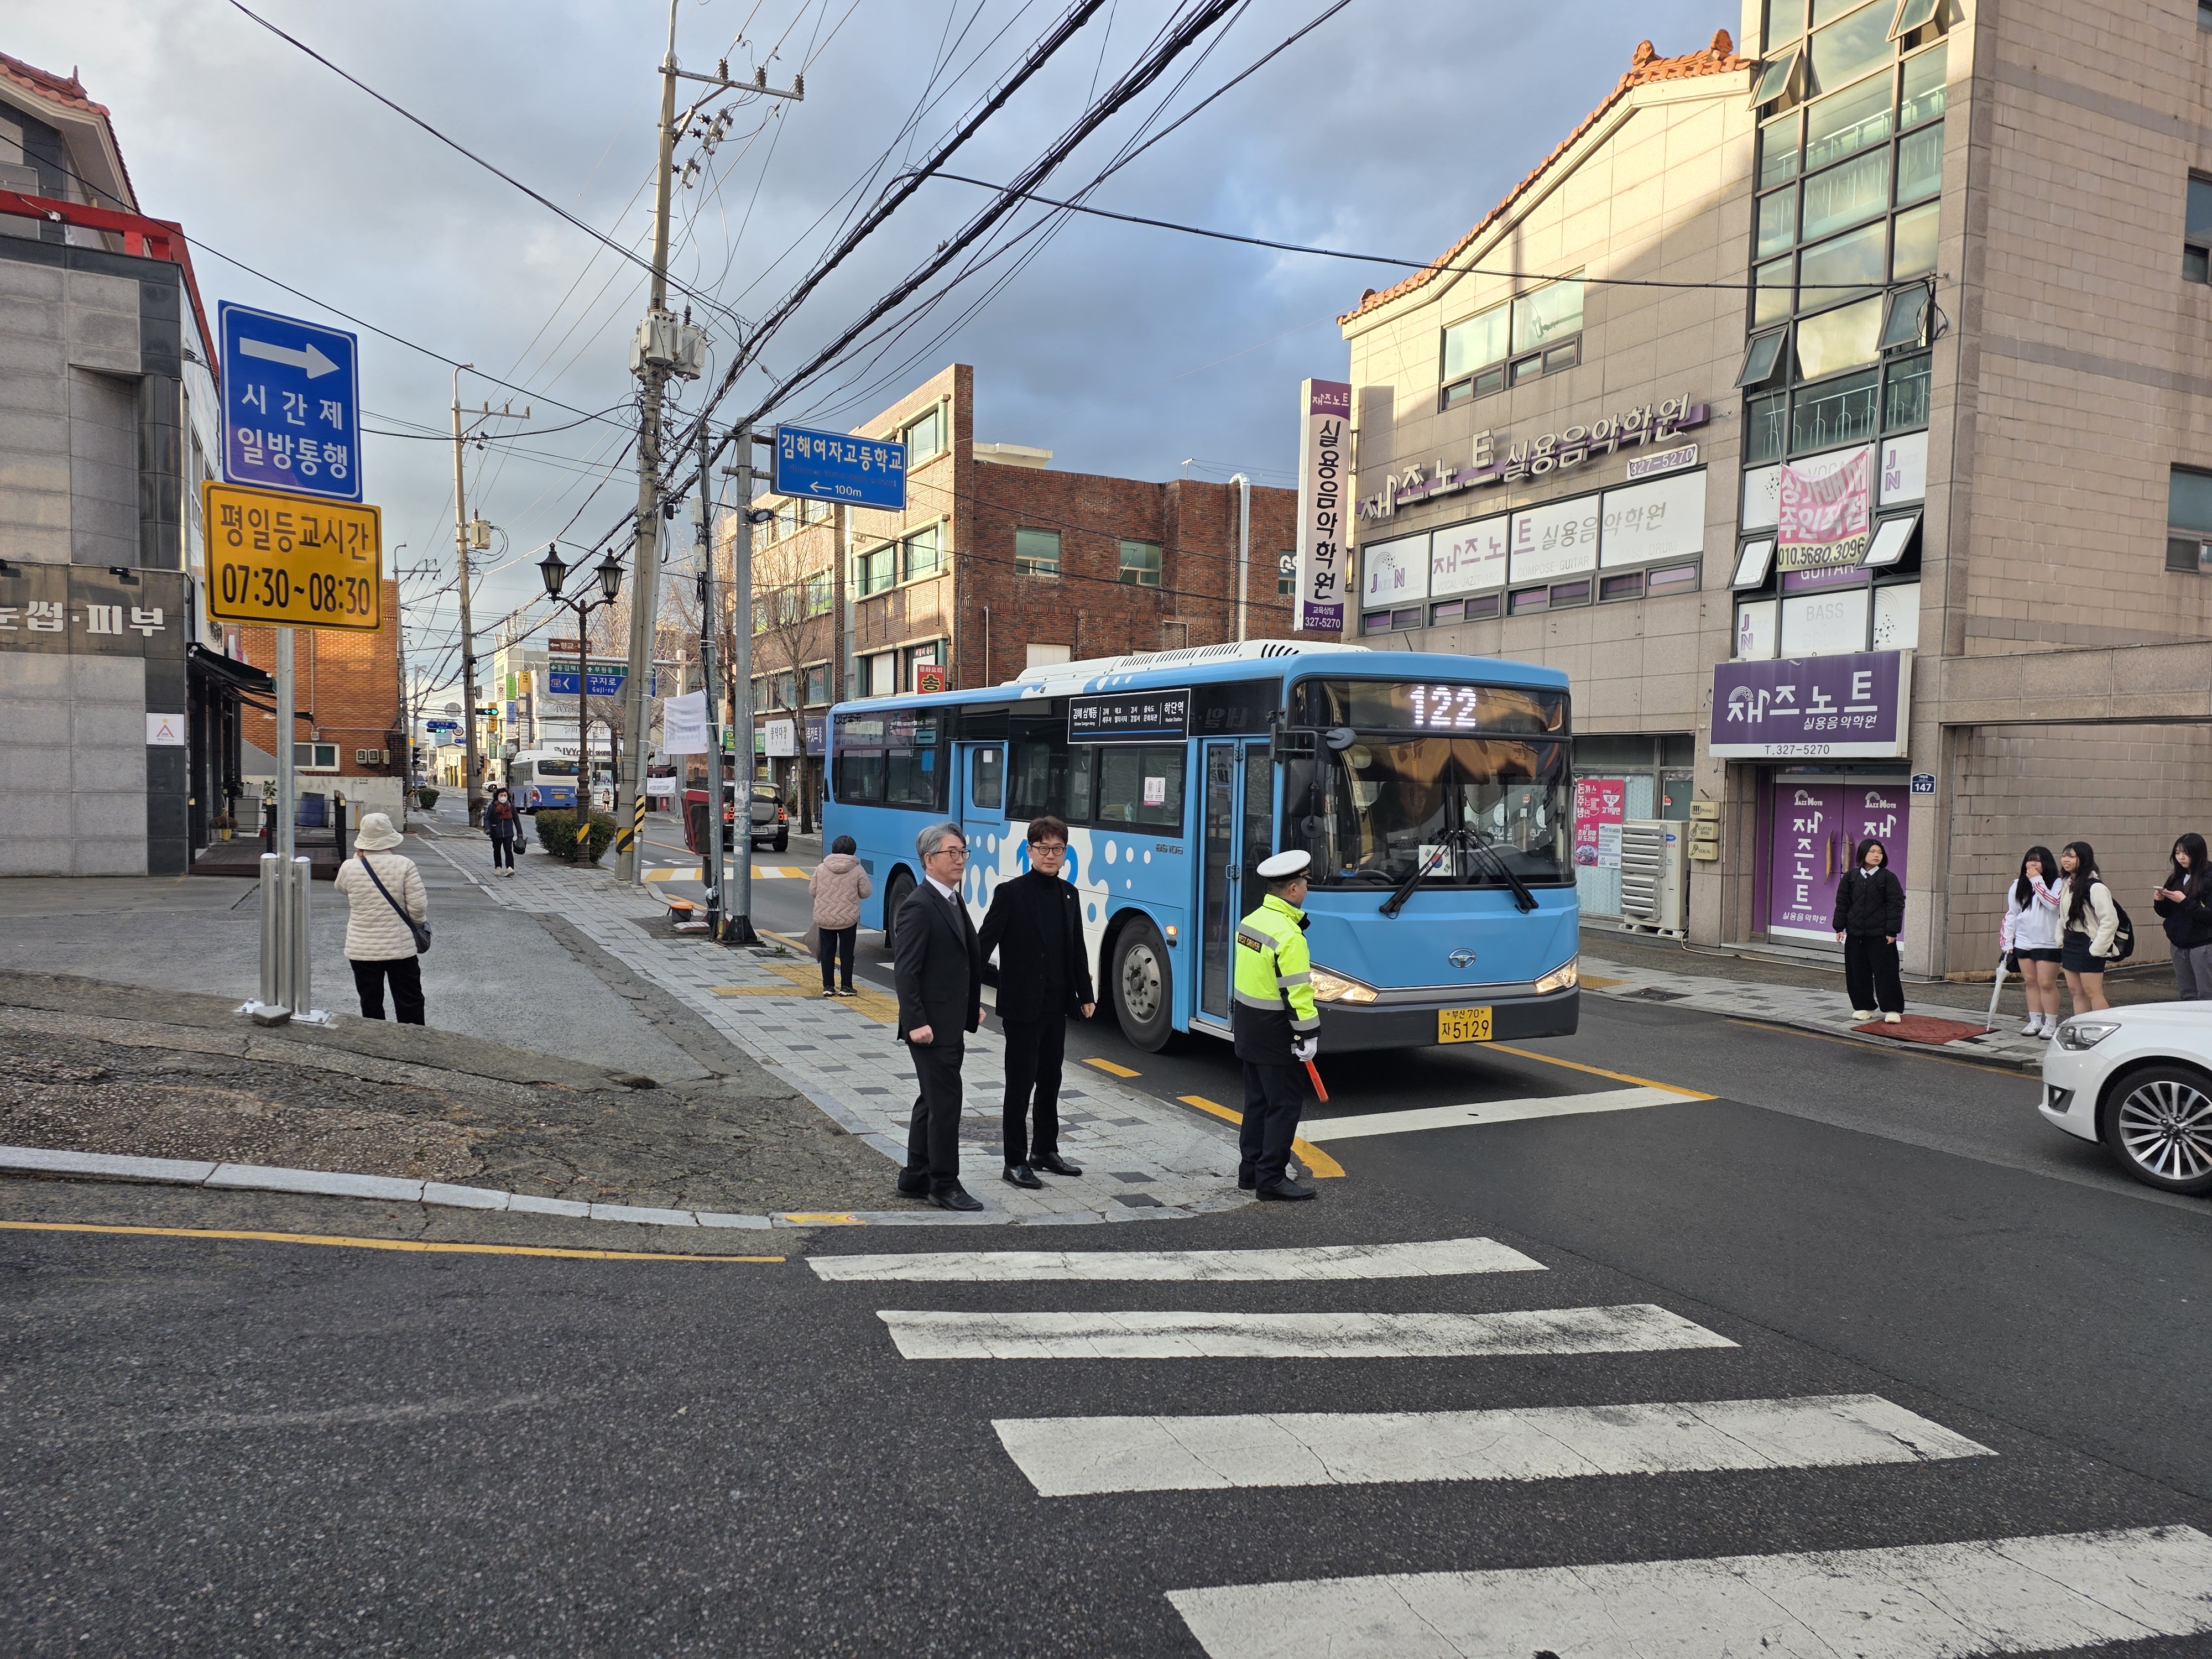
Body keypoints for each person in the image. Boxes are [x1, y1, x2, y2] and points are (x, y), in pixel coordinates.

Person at [978, 815, 1095, 1190]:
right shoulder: (1011, 894)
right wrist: (967, 995)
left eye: (1057, 849)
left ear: (1065, 853)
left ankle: (1045, 1150)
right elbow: (984, 945)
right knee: (1020, 1084)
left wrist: (1086, 994)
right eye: (1043, 848)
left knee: (1051, 1080)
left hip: (1056, 1005)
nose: (1050, 855)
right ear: (1029, 851)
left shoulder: (1068, 893)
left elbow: (1077, 947)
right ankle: (1014, 1161)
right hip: (1021, 1008)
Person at [893, 821, 984, 1212]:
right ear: (930, 859)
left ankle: (916, 1176)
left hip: (948, 1019)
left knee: (931, 1100)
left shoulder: (951, 899)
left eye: (963, 851)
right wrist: (916, 1022)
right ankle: (944, 1184)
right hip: (930, 1026)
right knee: (946, 1103)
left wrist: (970, 1006)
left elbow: (957, 961)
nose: (960, 858)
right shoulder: (919, 904)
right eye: (953, 852)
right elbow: (906, 970)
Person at [1232, 849, 1323, 1201]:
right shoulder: (1289, 935)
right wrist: (1308, 1034)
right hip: (1276, 1034)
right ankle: (1272, 1179)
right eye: (1304, 885)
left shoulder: (1251, 922)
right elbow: (1298, 992)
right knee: (1283, 1107)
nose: (1305, 890)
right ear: (1293, 890)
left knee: (1256, 1103)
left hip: (1248, 1027)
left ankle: (1251, 1173)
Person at [333, 812, 428, 1024]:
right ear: (390, 837)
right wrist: (418, 924)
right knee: (409, 999)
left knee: (371, 1000)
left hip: (362, 948)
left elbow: (341, 888)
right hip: (399, 947)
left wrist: (359, 857)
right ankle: (413, 1043)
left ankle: (377, 1047)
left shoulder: (350, 866)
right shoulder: (404, 865)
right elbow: (418, 908)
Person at [1831, 837, 1906, 1024]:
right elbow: (1842, 903)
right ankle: (1865, 1006)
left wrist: (1892, 931)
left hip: (1881, 936)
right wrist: (1839, 927)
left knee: (1886, 973)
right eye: (1872, 852)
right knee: (1857, 972)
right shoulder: (1850, 877)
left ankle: (1892, 1009)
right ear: (1863, 854)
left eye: (1879, 852)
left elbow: (1895, 906)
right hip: (1856, 934)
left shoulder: (1888, 878)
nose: (1876, 855)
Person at [2000, 846, 2065, 1036]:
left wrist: (2037, 881)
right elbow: (2012, 914)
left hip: (2048, 941)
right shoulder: (2017, 885)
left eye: (2038, 860)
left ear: (2047, 863)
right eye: (2030, 860)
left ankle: (2051, 1023)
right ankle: (2035, 1021)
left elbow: (2053, 904)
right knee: (2030, 982)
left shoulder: (2058, 884)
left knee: (2047, 983)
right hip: (2024, 941)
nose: (2033, 864)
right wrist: (2007, 941)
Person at [2058, 840, 2119, 1014]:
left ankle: (2103, 1033)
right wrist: (2060, 939)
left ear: (2083, 859)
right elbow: (2062, 917)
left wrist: (2096, 949)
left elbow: (2110, 921)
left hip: (2089, 943)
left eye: (2071, 856)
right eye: (2064, 855)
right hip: (2071, 941)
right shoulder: (2067, 883)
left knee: (2093, 992)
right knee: (2076, 992)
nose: (2066, 860)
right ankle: (2082, 1032)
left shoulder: (2096, 887)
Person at [808, 834, 872, 998]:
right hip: (848, 918)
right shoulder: (857, 869)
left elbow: (812, 891)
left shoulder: (822, 868)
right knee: (847, 953)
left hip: (825, 918)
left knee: (827, 951)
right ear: (853, 851)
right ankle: (846, 987)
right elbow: (866, 892)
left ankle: (828, 986)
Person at [2153, 832, 2212, 1000]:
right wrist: (2160, 900)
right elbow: (2165, 913)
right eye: (2177, 853)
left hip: (2203, 946)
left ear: (2197, 854)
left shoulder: (2208, 877)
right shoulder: (2177, 877)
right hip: (2178, 944)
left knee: (2206, 995)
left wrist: (2185, 901)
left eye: (2186, 853)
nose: (2181, 858)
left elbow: (2208, 915)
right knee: (2187, 995)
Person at [483, 786, 523, 877]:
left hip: (508, 833)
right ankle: (498, 867)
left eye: (505, 795)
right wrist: (488, 829)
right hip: (495, 833)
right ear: (497, 796)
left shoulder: (511, 806)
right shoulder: (493, 806)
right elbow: (487, 818)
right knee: (497, 850)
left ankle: (510, 868)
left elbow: (516, 820)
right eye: (501, 795)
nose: (503, 797)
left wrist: (520, 833)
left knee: (508, 850)